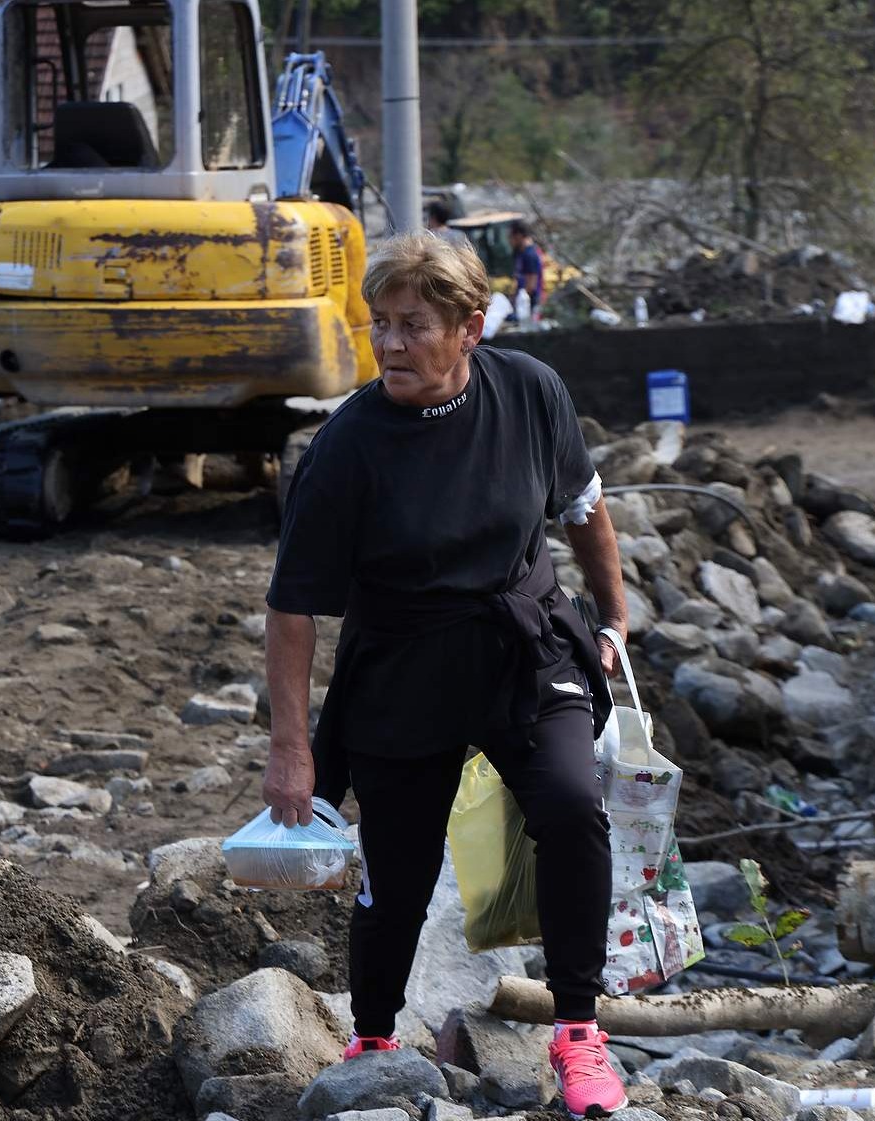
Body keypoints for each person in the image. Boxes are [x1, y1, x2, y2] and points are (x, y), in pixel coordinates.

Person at [263, 231, 629, 1118]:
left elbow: (584, 507)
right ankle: (377, 1038)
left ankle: (578, 1033)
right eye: (378, 323)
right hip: (402, 664)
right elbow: (292, 609)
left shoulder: (531, 391)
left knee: (573, 806)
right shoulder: (346, 447)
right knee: (399, 871)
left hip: (524, 642)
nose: (388, 344)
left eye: (411, 325)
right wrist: (292, 751)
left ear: (469, 328)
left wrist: (613, 618)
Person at [510, 220, 546, 321]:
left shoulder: (530, 255)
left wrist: (518, 300)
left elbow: (531, 285)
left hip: (530, 302)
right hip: (522, 300)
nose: (510, 240)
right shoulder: (519, 253)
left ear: (518, 236)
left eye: (511, 237)